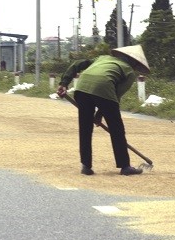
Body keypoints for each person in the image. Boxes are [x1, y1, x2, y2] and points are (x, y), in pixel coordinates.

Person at [56, 44, 150, 176]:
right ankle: (125, 166)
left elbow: (77, 64)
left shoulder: (102, 58)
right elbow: (115, 95)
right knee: (116, 129)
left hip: (82, 88)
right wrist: (101, 114)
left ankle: (86, 166)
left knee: (85, 128)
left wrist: (64, 84)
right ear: (134, 62)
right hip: (104, 90)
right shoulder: (129, 72)